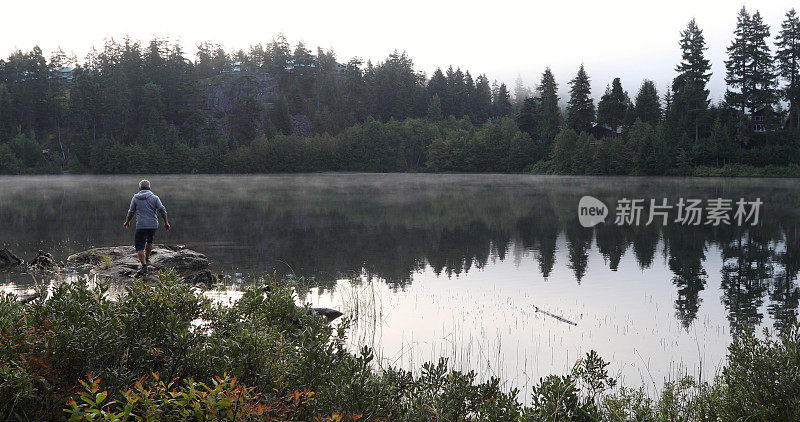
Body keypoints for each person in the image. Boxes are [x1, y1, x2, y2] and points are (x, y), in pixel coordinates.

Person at [123, 179, 171, 276]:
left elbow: (131, 211)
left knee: (139, 246)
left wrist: (127, 221)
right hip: (153, 224)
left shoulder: (135, 198)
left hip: (141, 225)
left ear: (139, 188)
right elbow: (162, 209)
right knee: (150, 240)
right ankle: (147, 259)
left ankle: (144, 266)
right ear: (149, 188)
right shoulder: (155, 197)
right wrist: (166, 222)